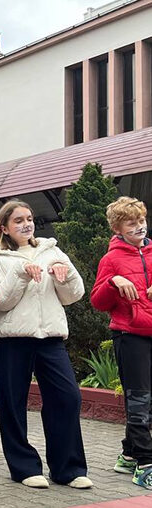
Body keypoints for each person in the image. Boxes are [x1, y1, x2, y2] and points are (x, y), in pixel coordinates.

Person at [0, 200, 92, 489]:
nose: (26, 224)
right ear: (4, 228)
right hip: (13, 339)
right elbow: (2, 301)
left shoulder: (52, 251)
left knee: (68, 398)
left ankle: (68, 468)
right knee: (12, 403)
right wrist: (21, 274)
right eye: (18, 220)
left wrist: (64, 274)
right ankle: (24, 467)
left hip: (51, 338)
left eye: (29, 218)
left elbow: (74, 295)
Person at [91, 196, 152, 490]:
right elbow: (98, 302)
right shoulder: (111, 259)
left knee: (148, 399)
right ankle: (145, 463)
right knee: (138, 399)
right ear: (118, 228)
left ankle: (128, 454)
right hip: (129, 335)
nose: (139, 226)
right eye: (132, 222)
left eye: (141, 220)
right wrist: (113, 281)